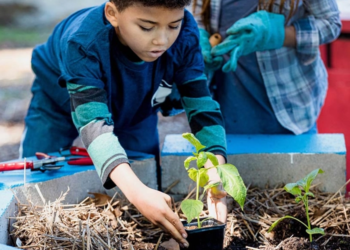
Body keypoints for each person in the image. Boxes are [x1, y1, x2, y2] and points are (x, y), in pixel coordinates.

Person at [20, 0, 229, 247]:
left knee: (143, 170)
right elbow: (93, 123)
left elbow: (201, 104)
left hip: (136, 102)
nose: (162, 40)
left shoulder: (186, 32)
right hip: (61, 99)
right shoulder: (82, 42)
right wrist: (137, 193)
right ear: (112, 13)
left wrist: (216, 169)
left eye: (173, 25)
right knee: (37, 177)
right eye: (146, 27)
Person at [193, 0, 341, 135]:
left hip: (290, 116)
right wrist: (198, 38)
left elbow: (331, 24)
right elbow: (195, 18)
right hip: (222, 113)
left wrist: (278, 34)